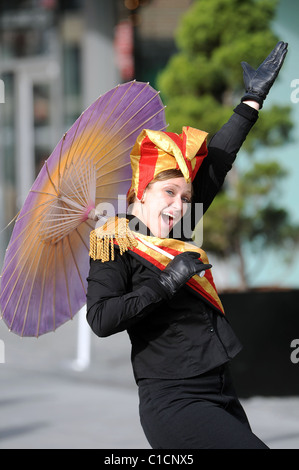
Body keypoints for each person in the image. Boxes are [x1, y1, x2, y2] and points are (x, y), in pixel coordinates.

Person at [86, 42, 288, 449]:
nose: (179, 205)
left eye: (185, 196)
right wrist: (161, 285)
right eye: (169, 192)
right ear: (142, 190)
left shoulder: (177, 227)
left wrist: (252, 100)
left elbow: (218, 159)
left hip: (220, 387)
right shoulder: (113, 240)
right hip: (174, 399)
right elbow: (101, 319)